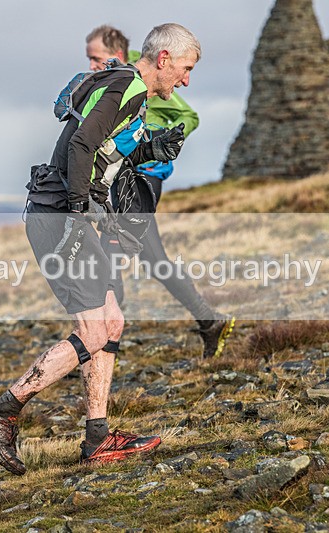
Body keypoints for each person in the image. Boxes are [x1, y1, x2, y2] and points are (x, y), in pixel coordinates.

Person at [0, 23, 201, 475]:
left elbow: (103, 150)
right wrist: (80, 212)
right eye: (186, 69)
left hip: (59, 213)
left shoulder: (129, 93)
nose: (186, 81)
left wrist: (150, 145)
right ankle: (2, 410)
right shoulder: (127, 87)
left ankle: (97, 437)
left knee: (111, 321)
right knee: (96, 331)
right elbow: (79, 145)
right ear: (164, 60)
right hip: (62, 217)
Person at [85, 25, 234, 358]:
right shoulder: (114, 81)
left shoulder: (143, 77)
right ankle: (209, 320)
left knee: (110, 261)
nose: (92, 65)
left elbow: (188, 115)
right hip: (120, 177)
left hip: (140, 177)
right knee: (153, 259)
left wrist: (151, 139)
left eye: (96, 58)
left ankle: (100, 352)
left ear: (119, 55)